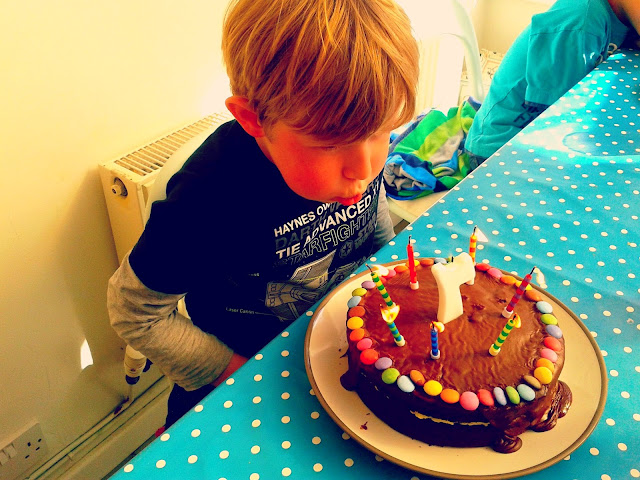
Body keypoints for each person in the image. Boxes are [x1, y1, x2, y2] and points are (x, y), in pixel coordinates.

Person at [107, 0, 420, 429]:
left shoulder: (357, 162)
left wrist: (387, 274)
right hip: (246, 383)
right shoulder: (208, 197)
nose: (364, 169)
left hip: (343, 355)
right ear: (253, 119)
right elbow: (133, 311)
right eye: (331, 143)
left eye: (382, 131)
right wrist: (233, 373)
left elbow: (373, 215)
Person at [465, 0, 640, 164]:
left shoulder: (623, 16)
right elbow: (558, 117)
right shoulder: (581, 21)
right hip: (498, 144)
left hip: (538, 133)